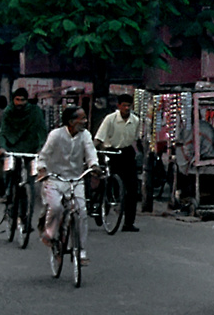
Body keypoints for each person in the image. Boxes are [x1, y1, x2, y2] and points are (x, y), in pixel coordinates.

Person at [38, 105, 100, 262]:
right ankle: (50, 234)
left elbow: (91, 152)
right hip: (54, 179)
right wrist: (42, 169)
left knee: (82, 213)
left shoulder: (85, 135)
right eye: (82, 118)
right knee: (56, 207)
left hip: (76, 179)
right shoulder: (56, 135)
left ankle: (81, 251)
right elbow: (44, 155)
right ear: (71, 121)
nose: (85, 122)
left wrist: (94, 166)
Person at [94, 95, 141, 232]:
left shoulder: (135, 120)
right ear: (119, 106)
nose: (127, 108)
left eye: (129, 106)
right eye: (124, 105)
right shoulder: (110, 119)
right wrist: (91, 151)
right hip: (111, 152)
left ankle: (128, 223)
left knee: (132, 188)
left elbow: (136, 139)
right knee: (109, 182)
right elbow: (99, 138)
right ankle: (101, 206)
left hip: (127, 153)